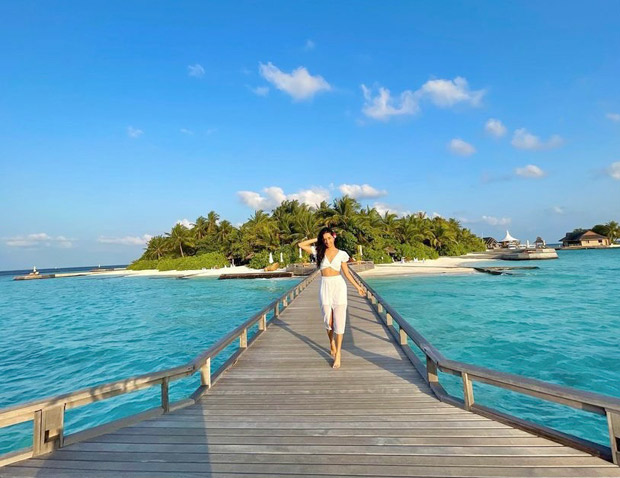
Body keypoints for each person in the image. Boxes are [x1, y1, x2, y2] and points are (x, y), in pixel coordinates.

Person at [298, 228, 365, 369]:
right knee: (328, 321)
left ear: (334, 237)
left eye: (329, 238)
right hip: (325, 286)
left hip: (339, 286)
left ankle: (338, 354)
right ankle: (331, 342)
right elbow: (301, 245)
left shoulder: (342, 254)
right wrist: (317, 238)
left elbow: (346, 273)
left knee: (339, 322)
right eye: (324, 239)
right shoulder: (319, 251)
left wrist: (358, 287)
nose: (327, 241)